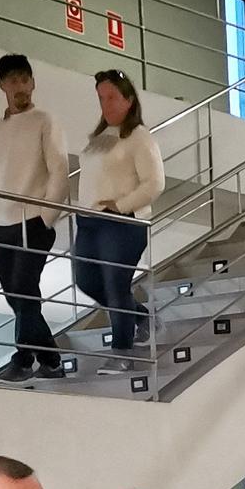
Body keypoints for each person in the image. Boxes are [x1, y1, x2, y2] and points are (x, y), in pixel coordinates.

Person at [0, 54, 69, 385]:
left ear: (33, 83)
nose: (20, 87)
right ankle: (50, 357)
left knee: (23, 290)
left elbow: (59, 169)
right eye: (13, 81)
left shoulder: (46, 121)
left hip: (33, 220)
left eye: (25, 79)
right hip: (0, 226)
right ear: (3, 86)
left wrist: (47, 216)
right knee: (16, 297)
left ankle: (23, 357)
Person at [75, 68, 163, 375]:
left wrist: (121, 206)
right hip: (89, 222)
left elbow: (154, 183)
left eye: (112, 96)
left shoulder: (140, 137)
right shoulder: (100, 138)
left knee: (116, 286)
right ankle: (141, 316)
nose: (106, 104)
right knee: (85, 280)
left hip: (122, 223)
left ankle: (123, 351)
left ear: (128, 99)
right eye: (101, 98)